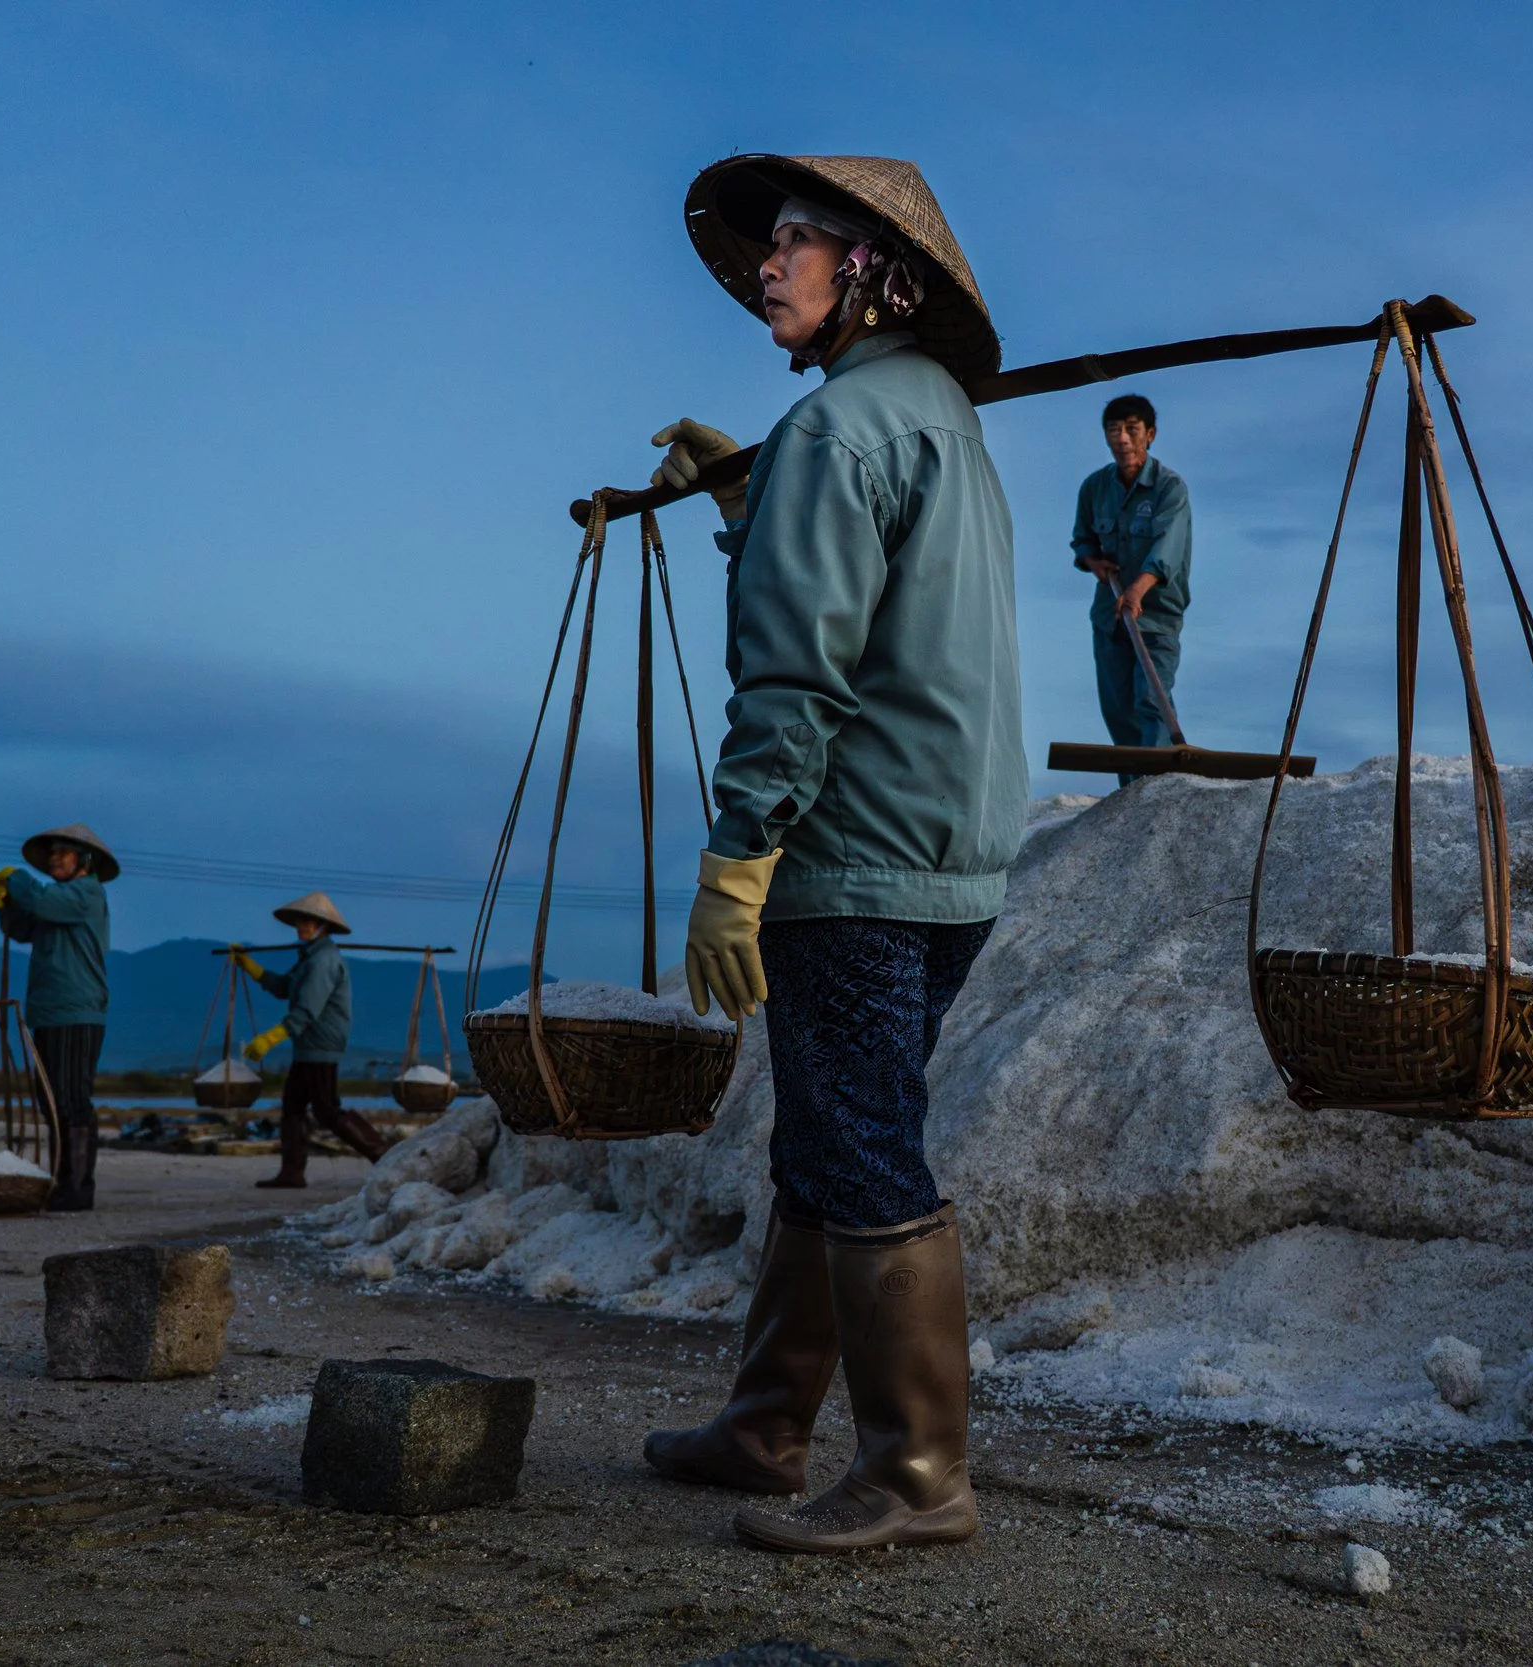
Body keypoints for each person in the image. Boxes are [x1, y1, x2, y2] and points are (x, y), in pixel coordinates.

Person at [639, 153, 1022, 1556]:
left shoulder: (836, 434)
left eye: (797, 242)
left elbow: (795, 676)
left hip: (852, 856)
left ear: (874, 267)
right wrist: (748, 509)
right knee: (823, 1136)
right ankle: (765, 1423)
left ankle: (919, 1471)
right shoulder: (941, 425)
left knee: (860, 1147)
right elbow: (872, 614)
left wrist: (740, 856)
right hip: (951, 855)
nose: (767, 264)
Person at [0, 823, 116, 1211]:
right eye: (53, 853)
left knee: (73, 1098)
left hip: (76, 1011)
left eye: (65, 852)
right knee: (51, 1101)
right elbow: (22, 927)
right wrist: (5, 902)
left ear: (84, 860)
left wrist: (17, 877)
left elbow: (39, 901)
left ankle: (78, 1188)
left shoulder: (85, 894)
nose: (56, 858)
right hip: (46, 1012)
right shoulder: (56, 900)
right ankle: (64, 1182)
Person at [1071, 392, 1192, 780]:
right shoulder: (1094, 488)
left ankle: (1155, 792)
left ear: (1150, 434)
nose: (1122, 439)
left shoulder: (1169, 488)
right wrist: (1093, 563)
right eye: (1114, 430)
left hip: (1154, 617)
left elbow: (1166, 549)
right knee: (1118, 707)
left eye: (1131, 430)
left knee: (1150, 700)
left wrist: (1138, 589)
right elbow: (1083, 539)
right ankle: (1130, 795)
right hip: (1109, 616)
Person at [234, 891, 386, 1187]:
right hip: (307, 1046)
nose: (300, 926)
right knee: (293, 1106)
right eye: (300, 921)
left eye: (307, 921)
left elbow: (306, 1010)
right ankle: (292, 1171)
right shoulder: (309, 959)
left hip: (321, 1046)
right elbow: (283, 988)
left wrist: (270, 1039)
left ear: (322, 926)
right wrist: (250, 966)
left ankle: (383, 1154)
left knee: (327, 1110)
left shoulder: (324, 962)